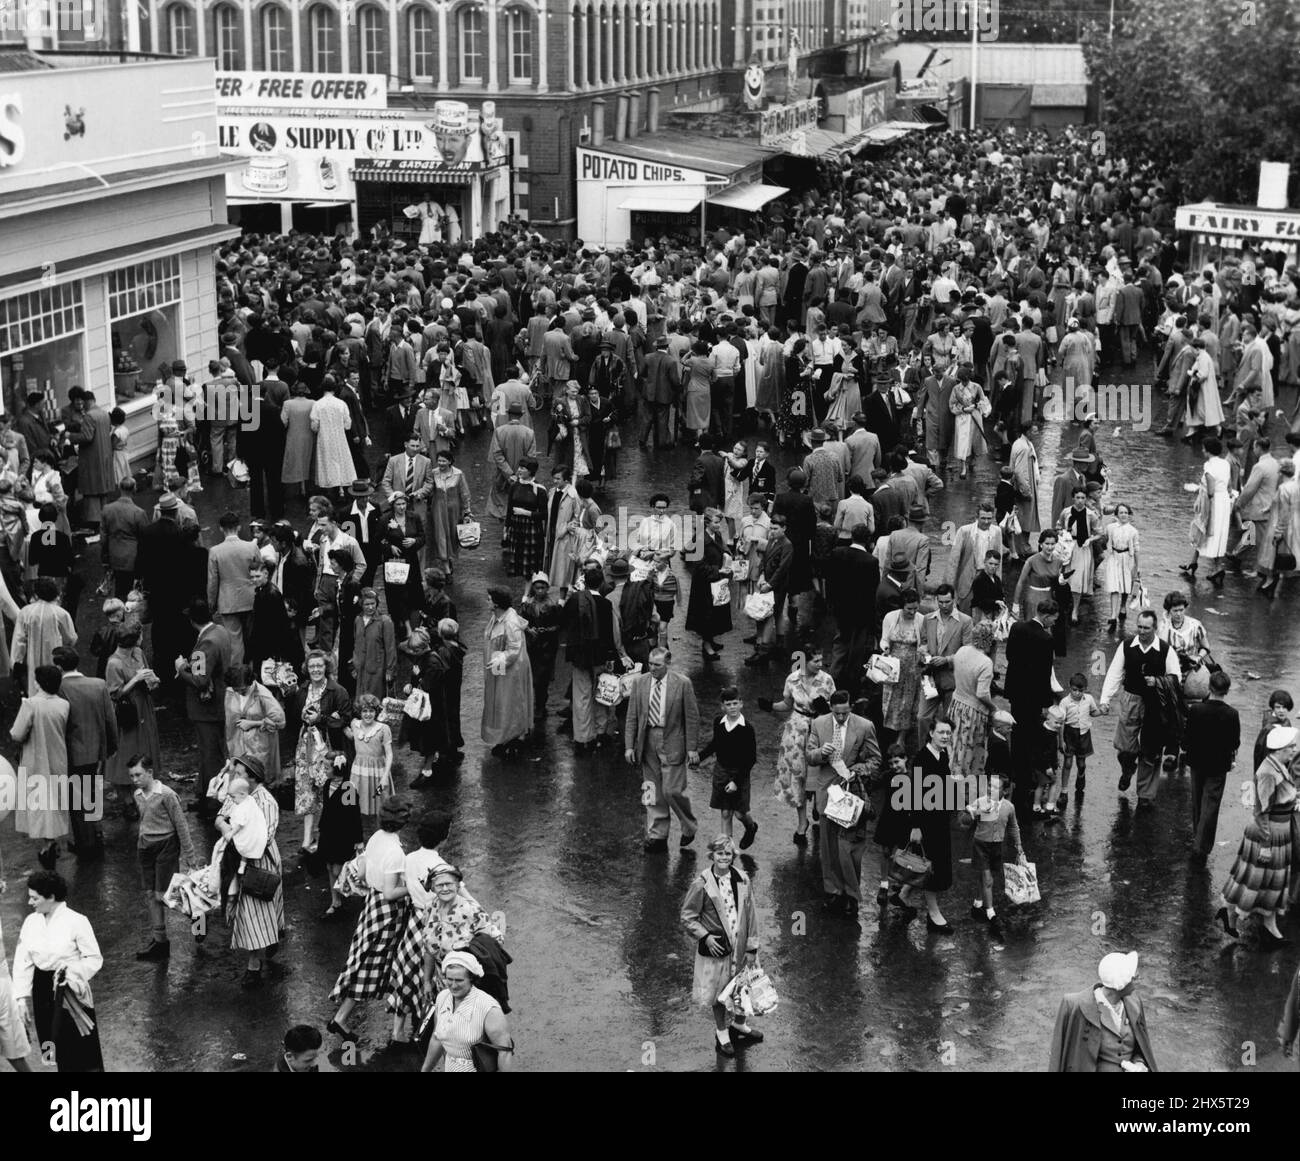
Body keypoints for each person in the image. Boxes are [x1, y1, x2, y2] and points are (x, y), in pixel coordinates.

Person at [328, 797, 412, 1042]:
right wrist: (413, 886)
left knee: (363, 959)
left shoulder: (376, 838)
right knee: (381, 964)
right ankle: (346, 1019)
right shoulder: (396, 852)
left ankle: (341, 1017)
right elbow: (390, 893)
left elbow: (362, 872)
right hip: (388, 912)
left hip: (371, 906)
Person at [12, 870, 104, 1072]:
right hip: (42, 989)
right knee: (53, 1041)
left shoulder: (77, 921)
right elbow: (23, 961)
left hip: (70, 988)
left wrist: (72, 972)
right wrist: (20, 998)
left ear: (51, 897)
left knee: (82, 1045)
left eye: (35, 898)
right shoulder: (31, 922)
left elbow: (94, 958)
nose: (30, 902)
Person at [1218, 724, 1299, 948]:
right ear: (1280, 749)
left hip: (1280, 835)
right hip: (1268, 834)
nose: (1294, 749)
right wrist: (1265, 844)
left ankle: (1270, 926)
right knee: (1251, 881)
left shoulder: (1280, 766)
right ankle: (1230, 916)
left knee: (1273, 883)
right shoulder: (1267, 772)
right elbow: (1261, 810)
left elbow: (1283, 796)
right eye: (1291, 747)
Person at [681, 836, 763, 1058]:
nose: (724, 857)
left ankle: (739, 1023)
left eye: (728, 853)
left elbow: (751, 914)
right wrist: (705, 936)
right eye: (720, 853)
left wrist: (752, 947)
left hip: (740, 946)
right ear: (712, 855)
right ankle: (721, 1031)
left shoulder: (742, 879)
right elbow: (688, 916)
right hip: (718, 949)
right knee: (718, 992)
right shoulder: (702, 883)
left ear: (733, 856)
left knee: (742, 988)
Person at [805, 690, 882, 919]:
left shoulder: (865, 726)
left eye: (845, 713)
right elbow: (809, 755)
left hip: (852, 793)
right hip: (827, 792)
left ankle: (851, 894)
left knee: (850, 848)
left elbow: (876, 760)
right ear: (830, 708)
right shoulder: (818, 723)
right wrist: (821, 752)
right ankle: (833, 891)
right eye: (836, 713)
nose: (840, 717)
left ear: (851, 707)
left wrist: (857, 771)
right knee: (828, 845)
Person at [1098, 608, 1183, 807]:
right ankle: (1128, 767)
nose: (1142, 631)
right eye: (1139, 627)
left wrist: (1158, 681)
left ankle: (1145, 795)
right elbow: (1114, 673)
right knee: (1124, 747)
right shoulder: (1127, 646)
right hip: (1131, 699)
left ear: (1154, 628)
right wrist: (1105, 700)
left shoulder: (1165, 650)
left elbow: (1176, 679)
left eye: (1146, 628)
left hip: (1156, 704)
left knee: (1151, 750)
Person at [626, 646, 700, 853]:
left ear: (668, 664)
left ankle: (688, 825)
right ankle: (657, 834)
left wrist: (692, 748)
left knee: (672, 790)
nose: (652, 668)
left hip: (673, 741)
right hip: (647, 740)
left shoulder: (683, 684)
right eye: (650, 664)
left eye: (657, 665)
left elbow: (692, 718)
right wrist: (629, 746)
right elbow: (632, 716)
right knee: (651, 790)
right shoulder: (640, 683)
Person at [129, 755, 200, 962]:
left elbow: (181, 825)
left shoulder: (167, 795)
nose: (135, 779)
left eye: (138, 775)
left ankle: (198, 915)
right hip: (145, 848)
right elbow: (145, 821)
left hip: (166, 846)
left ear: (150, 773)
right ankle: (160, 943)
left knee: (164, 896)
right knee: (151, 895)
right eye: (132, 776)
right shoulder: (138, 794)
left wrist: (190, 856)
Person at [52, 645, 118, 863]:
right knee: (92, 792)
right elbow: (110, 719)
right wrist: (111, 746)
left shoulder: (59, 688)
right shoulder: (98, 685)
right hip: (96, 748)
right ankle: (96, 833)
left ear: (59, 666)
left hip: (72, 751)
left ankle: (86, 843)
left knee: (76, 801)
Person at [1048, 951, 1158, 1072]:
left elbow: (1140, 1048)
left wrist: (1139, 1063)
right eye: (1131, 976)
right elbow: (1059, 1055)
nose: (1136, 977)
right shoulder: (1075, 1005)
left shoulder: (1135, 1003)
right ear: (1120, 985)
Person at [176, 599, 232, 816]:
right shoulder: (220, 631)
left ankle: (211, 800)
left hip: (207, 708)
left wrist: (181, 668)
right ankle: (203, 792)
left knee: (209, 754)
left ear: (192, 621)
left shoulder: (205, 643)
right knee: (214, 751)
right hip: (221, 700)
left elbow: (199, 680)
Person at [12, 665, 71, 869]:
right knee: (55, 800)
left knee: (39, 803)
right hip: (59, 757)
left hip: (35, 759)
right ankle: (52, 839)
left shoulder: (30, 704)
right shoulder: (64, 704)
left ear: (39, 683)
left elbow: (17, 734)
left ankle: (47, 844)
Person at [292, 651, 352, 853]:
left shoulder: (338, 691)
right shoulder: (302, 690)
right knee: (307, 790)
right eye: (312, 666)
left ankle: (333, 835)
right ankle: (306, 840)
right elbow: (295, 717)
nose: (316, 670)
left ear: (326, 667)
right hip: (306, 746)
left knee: (331, 790)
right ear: (307, 669)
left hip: (329, 748)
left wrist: (321, 718)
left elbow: (344, 718)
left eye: (319, 666)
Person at [418, 950, 514, 1072]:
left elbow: (504, 1051)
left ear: (471, 979)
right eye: (449, 979)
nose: (453, 985)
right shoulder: (442, 998)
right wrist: (425, 1069)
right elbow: (437, 1038)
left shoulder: (488, 1007)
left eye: (459, 980)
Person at [1183, 670, 1240, 866]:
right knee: (1211, 804)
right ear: (1227, 690)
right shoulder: (1232, 714)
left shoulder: (1196, 710)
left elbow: (1187, 737)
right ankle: (1201, 846)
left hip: (1197, 762)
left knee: (1197, 801)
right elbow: (1234, 742)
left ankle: (1197, 838)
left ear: (1209, 688)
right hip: (1218, 765)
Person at [961, 771, 1025, 942]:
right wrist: (975, 812)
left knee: (986, 877)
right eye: (990, 785)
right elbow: (964, 820)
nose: (991, 788)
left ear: (1004, 791)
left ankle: (977, 903)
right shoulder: (980, 802)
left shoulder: (1008, 807)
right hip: (980, 845)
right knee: (988, 879)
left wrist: (1019, 847)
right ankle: (991, 914)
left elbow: (1013, 827)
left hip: (997, 847)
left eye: (996, 787)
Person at [698, 686, 759, 847]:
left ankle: (751, 827)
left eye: (734, 703)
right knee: (725, 813)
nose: (732, 707)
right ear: (722, 706)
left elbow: (750, 759)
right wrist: (699, 757)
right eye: (728, 704)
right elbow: (715, 744)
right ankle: (726, 849)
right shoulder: (719, 722)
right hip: (722, 771)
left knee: (739, 814)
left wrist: (736, 782)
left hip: (740, 773)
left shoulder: (747, 728)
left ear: (741, 704)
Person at [481, 586, 533, 758]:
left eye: (489, 599)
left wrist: (497, 660)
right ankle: (504, 736)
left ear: (496, 604)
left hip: (512, 669)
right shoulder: (497, 616)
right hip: (500, 665)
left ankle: (513, 738)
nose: (487, 601)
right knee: (500, 701)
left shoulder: (510, 622)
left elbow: (514, 649)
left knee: (510, 702)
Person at [207, 511, 262, 666]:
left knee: (235, 642)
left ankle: (238, 677)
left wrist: (211, 605)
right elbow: (260, 572)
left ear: (221, 529)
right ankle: (254, 672)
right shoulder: (251, 547)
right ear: (239, 527)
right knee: (252, 637)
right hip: (250, 598)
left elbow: (212, 582)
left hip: (228, 601)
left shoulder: (215, 551)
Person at [11, 576, 77, 697]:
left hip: (32, 658)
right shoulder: (61, 613)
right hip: (55, 658)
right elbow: (71, 638)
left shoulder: (25, 612)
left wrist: (16, 661)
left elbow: (19, 640)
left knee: (35, 688)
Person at [948, 622, 998, 781]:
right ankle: (964, 790)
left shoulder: (961, 651)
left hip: (956, 704)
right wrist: (993, 707)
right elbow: (982, 693)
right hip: (973, 712)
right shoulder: (985, 663)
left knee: (953, 747)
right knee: (968, 752)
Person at [317, 749, 363, 921]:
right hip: (328, 832)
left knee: (338, 869)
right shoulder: (328, 785)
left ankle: (345, 894)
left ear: (337, 769)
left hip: (343, 835)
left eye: (327, 768)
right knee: (329, 867)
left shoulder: (347, 788)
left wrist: (358, 840)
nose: (325, 771)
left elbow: (354, 816)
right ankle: (335, 901)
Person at [224, 662, 286, 788]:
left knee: (257, 780)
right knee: (239, 780)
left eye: (242, 689)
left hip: (258, 746)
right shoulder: (231, 692)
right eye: (236, 689)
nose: (239, 692)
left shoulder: (263, 695)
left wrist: (254, 723)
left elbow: (280, 721)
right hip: (237, 744)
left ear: (250, 682)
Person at [1182, 436, 1232, 587]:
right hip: (1224, 500)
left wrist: (1204, 495)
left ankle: (1210, 566)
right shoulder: (1225, 463)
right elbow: (1228, 484)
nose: (1203, 450)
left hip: (1213, 501)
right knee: (1218, 533)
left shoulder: (1209, 466)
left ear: (1208, 450)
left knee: (1204, 528)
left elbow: (1210, 489)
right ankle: (1198, 562)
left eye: (1204, 448)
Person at [878, 588, 922, 753]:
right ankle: (889, 732)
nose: (912, 612)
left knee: (907, 704)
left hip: (912, 668)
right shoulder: (891, 617)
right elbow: (884, 639)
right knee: (890, 701)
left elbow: (923, 643)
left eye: (915, 608)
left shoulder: (921, 620)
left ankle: (901, 738)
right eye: (909, 608)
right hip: (893, 667)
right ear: (902, 606)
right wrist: (885, 647)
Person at [685, 508, 733, 661]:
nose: (719, 525)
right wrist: (718, 570)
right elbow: (697, 566)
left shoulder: (716, 535)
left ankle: (710, 640)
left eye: (720, 522)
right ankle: (707, 647)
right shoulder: (699, 539)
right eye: (716, 522)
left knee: (715, 614)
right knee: (706, 616)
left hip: (716, 580)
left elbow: (722, 550)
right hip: (703, 585)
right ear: (707, 522)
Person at [98, 477, 149, 599]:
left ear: (120, 488)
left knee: (119, 589)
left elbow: (103, 538)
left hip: (114, 556)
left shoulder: (107, 509)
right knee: (132, 593)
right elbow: (145, 539)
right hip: (132, 557)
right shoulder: (139, 513)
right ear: (134, 489)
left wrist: (105, 559)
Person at [346, 693, 394, 819]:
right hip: (358, 772)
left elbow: (389, 754)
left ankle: (382, 831)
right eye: (364, 711)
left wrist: (385, 777)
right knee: (354, 801)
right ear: (359, 712)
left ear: (376, 712)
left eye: (371, 711)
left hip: (378, 772)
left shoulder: (383, 729)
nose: (368, 714)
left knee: (380, 800)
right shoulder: (354, 725)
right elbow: (351, 734)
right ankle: (358, 832)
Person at [426, 451, 472, 578]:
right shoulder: (433, 473)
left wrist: (467, 511)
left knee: (452, 536)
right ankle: (446, 569)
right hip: (438, 509)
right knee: (440, 536)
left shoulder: (458, 474)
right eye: (439, 461)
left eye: (444, 461)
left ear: (450, 461)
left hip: (454, 510)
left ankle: (449, 559)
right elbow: (429, 489)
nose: (441, 463)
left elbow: (464, 494)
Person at [504, 457, 548, 578]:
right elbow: (509, 508)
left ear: (530, 471)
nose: (519, 470)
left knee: (530, 564)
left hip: (531, 528)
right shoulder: (514, 486)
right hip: (516, 527)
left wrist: (526, 513)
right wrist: (506, 527)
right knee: (518, 560)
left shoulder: (539, 489)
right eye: (519, 467)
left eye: (522, 468)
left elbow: (544, 514)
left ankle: (529, 590)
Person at [1059, 672, 1101, 798]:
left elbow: (1093, 712)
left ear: (1085, 689)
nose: (1077, 693)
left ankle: (1081, 774)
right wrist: (1061, 741)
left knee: (1081, 763)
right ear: (1069, 687)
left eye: (1080, 690)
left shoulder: (1088, 699)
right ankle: (1064, 791)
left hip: (1084, 734)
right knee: (1067, 763)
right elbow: (1061, 723)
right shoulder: (1064, 702)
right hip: (1069, 734)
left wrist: (1102, 712)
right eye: (1074, 690)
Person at [352, 588, 396, 701]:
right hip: (361, 668)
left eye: (373, 603)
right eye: (367, 604)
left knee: (375, 702)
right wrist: (355, 665)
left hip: (377, 669)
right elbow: (357, 644)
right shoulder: (358, 620)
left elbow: (390, 648)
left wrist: (390, 670)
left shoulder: (385, 621)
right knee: (361, 701)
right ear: (361, 604)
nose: (370, 607)